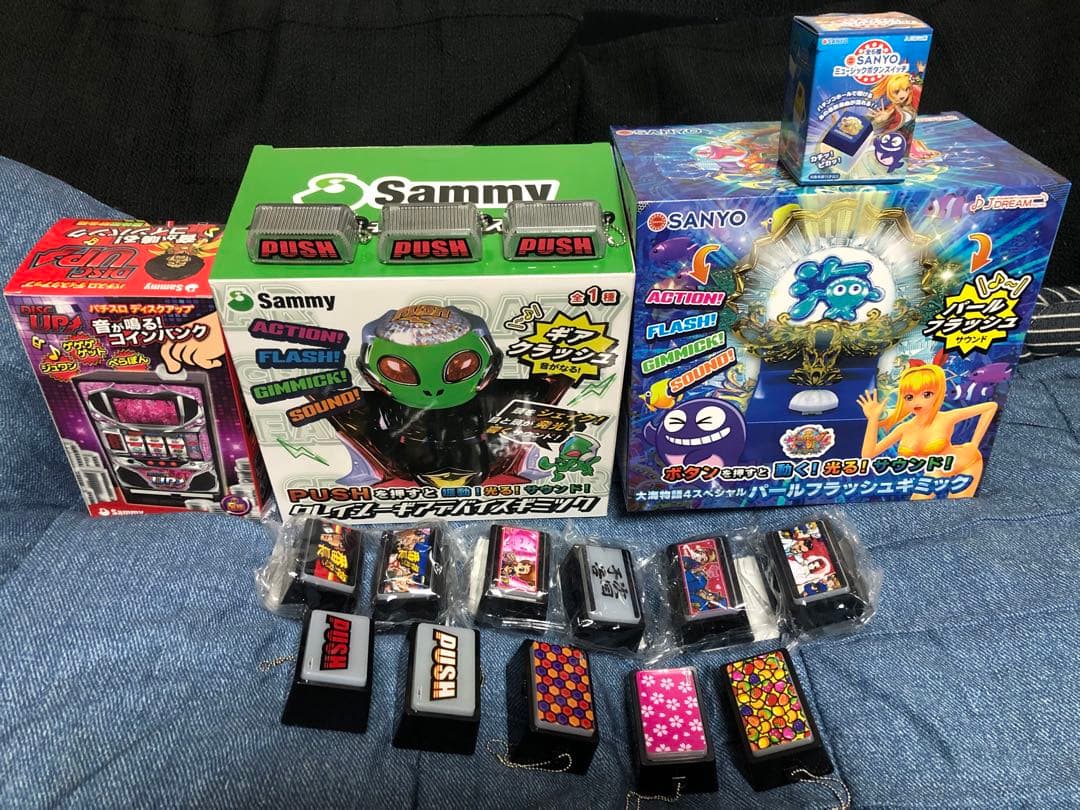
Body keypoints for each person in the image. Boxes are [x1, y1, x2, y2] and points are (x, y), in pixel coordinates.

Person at [857, 361, 998, 498]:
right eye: (909, 397)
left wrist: (974, 443)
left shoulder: (946, 417)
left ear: (938, 393)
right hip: (936, 471)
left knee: (959, 507)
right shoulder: (904, 428)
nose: (917, 402)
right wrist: (873, 419)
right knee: (917, 503)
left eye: (926, 394)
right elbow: (868, 455)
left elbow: (990, 407)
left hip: (968, 462)